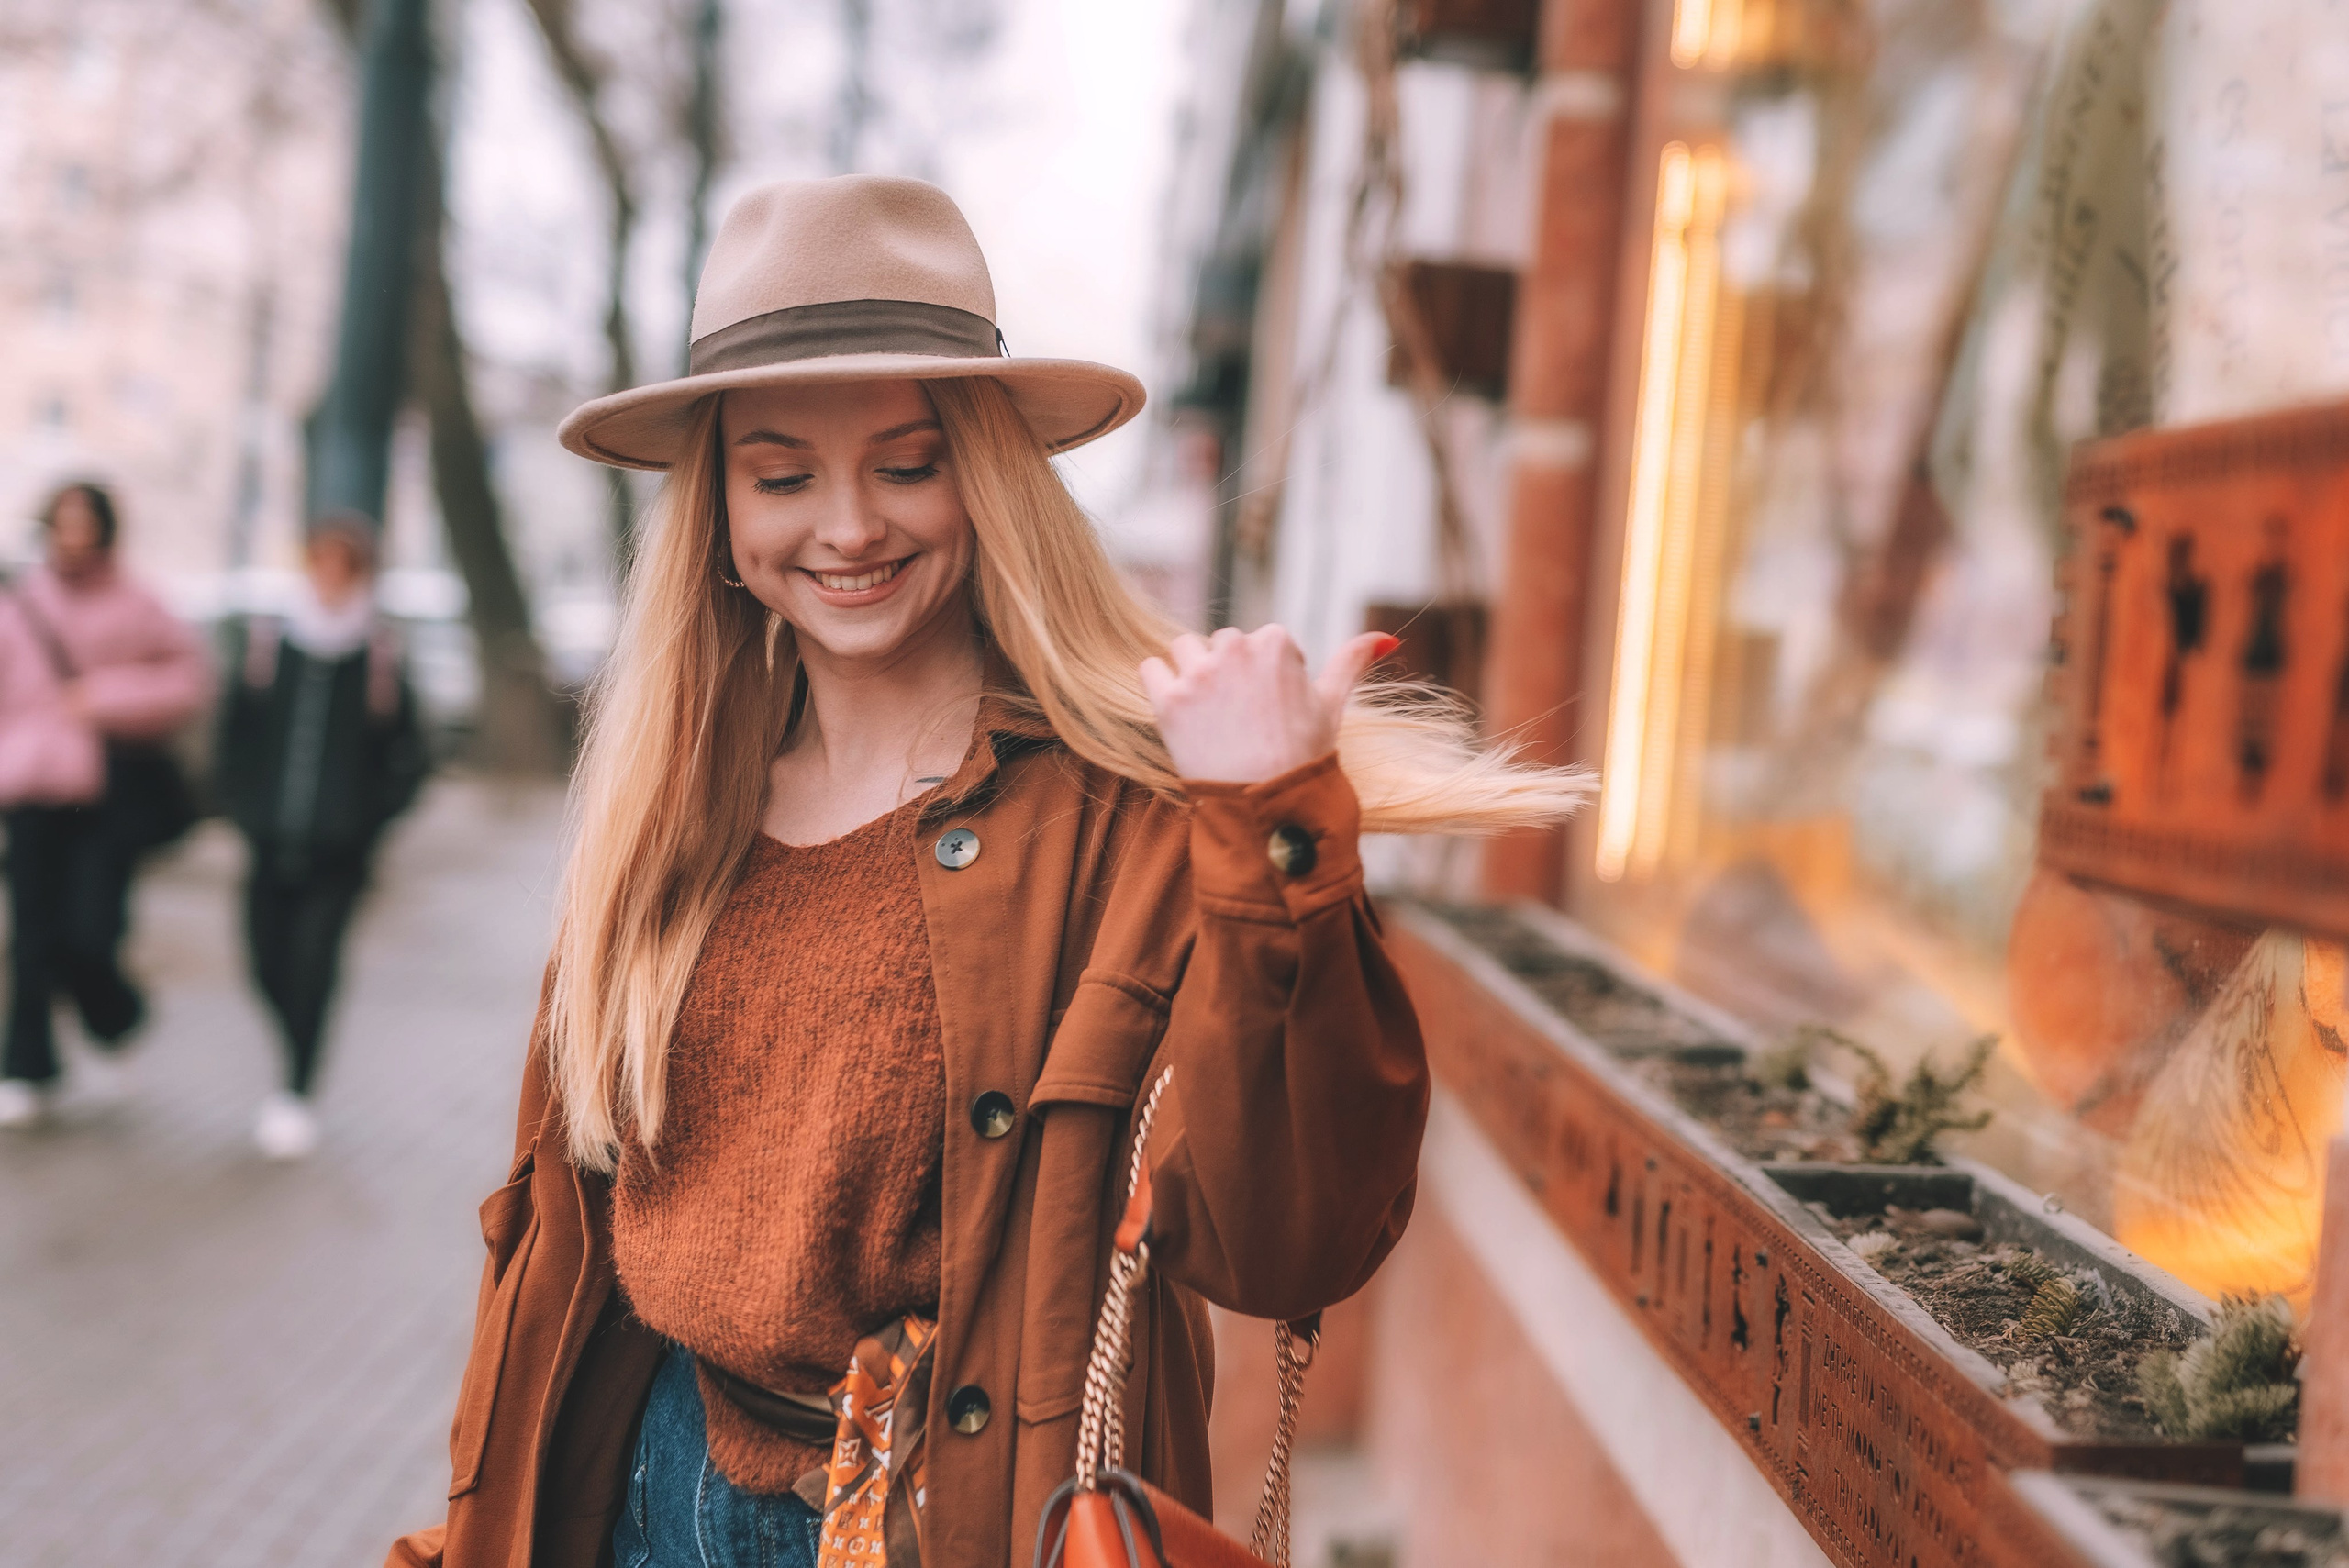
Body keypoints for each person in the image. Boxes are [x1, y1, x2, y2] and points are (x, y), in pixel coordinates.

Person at [387, 176, 1586, 1568]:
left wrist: (1271, 826)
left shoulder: (1130, 822)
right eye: (783, 476)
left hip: (947, 1521)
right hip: (650, 1486)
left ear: (988, 477)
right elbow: (554, 1267)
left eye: (906, 465)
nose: (848, 526)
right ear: (718, 510)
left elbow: (1291, 1243)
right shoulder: (667, 820)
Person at [216, 513, 428, 1159]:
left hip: (340, 854)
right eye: (322, 562)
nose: (332, 577)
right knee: (263, 961)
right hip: (268, 840)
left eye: (346, 566)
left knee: (314, 966)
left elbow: (412, 755)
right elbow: (233, 735)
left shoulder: (379, 657)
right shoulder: (269, 646)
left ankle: (296, 1090)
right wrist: (241, 805)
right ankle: (294, 1048)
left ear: (362, 574)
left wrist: (369, 816)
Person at [0, 482, 207, 1129]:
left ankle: (117, 1017)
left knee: (90, 935)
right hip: (30, 788)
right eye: (62, 524)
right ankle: (26, 1068)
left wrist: (105, 696)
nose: (72, 536)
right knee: (30, 938)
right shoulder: (19, 601)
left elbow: (188, 681)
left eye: (83, 524)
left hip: (106, 796)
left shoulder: (140, 601)